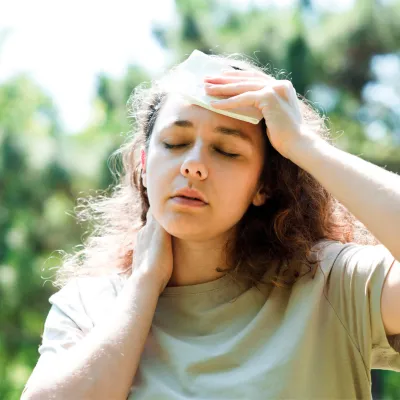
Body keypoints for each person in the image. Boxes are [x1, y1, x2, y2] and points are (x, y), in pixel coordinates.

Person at [22, 52, 400, 400]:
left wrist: (303, 145)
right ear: (143, 162)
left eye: (226, 150)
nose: (193, 165)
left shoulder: (333, 283)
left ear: (264, 185)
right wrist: (143, 286)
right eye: (174, 143)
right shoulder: (89, 306)